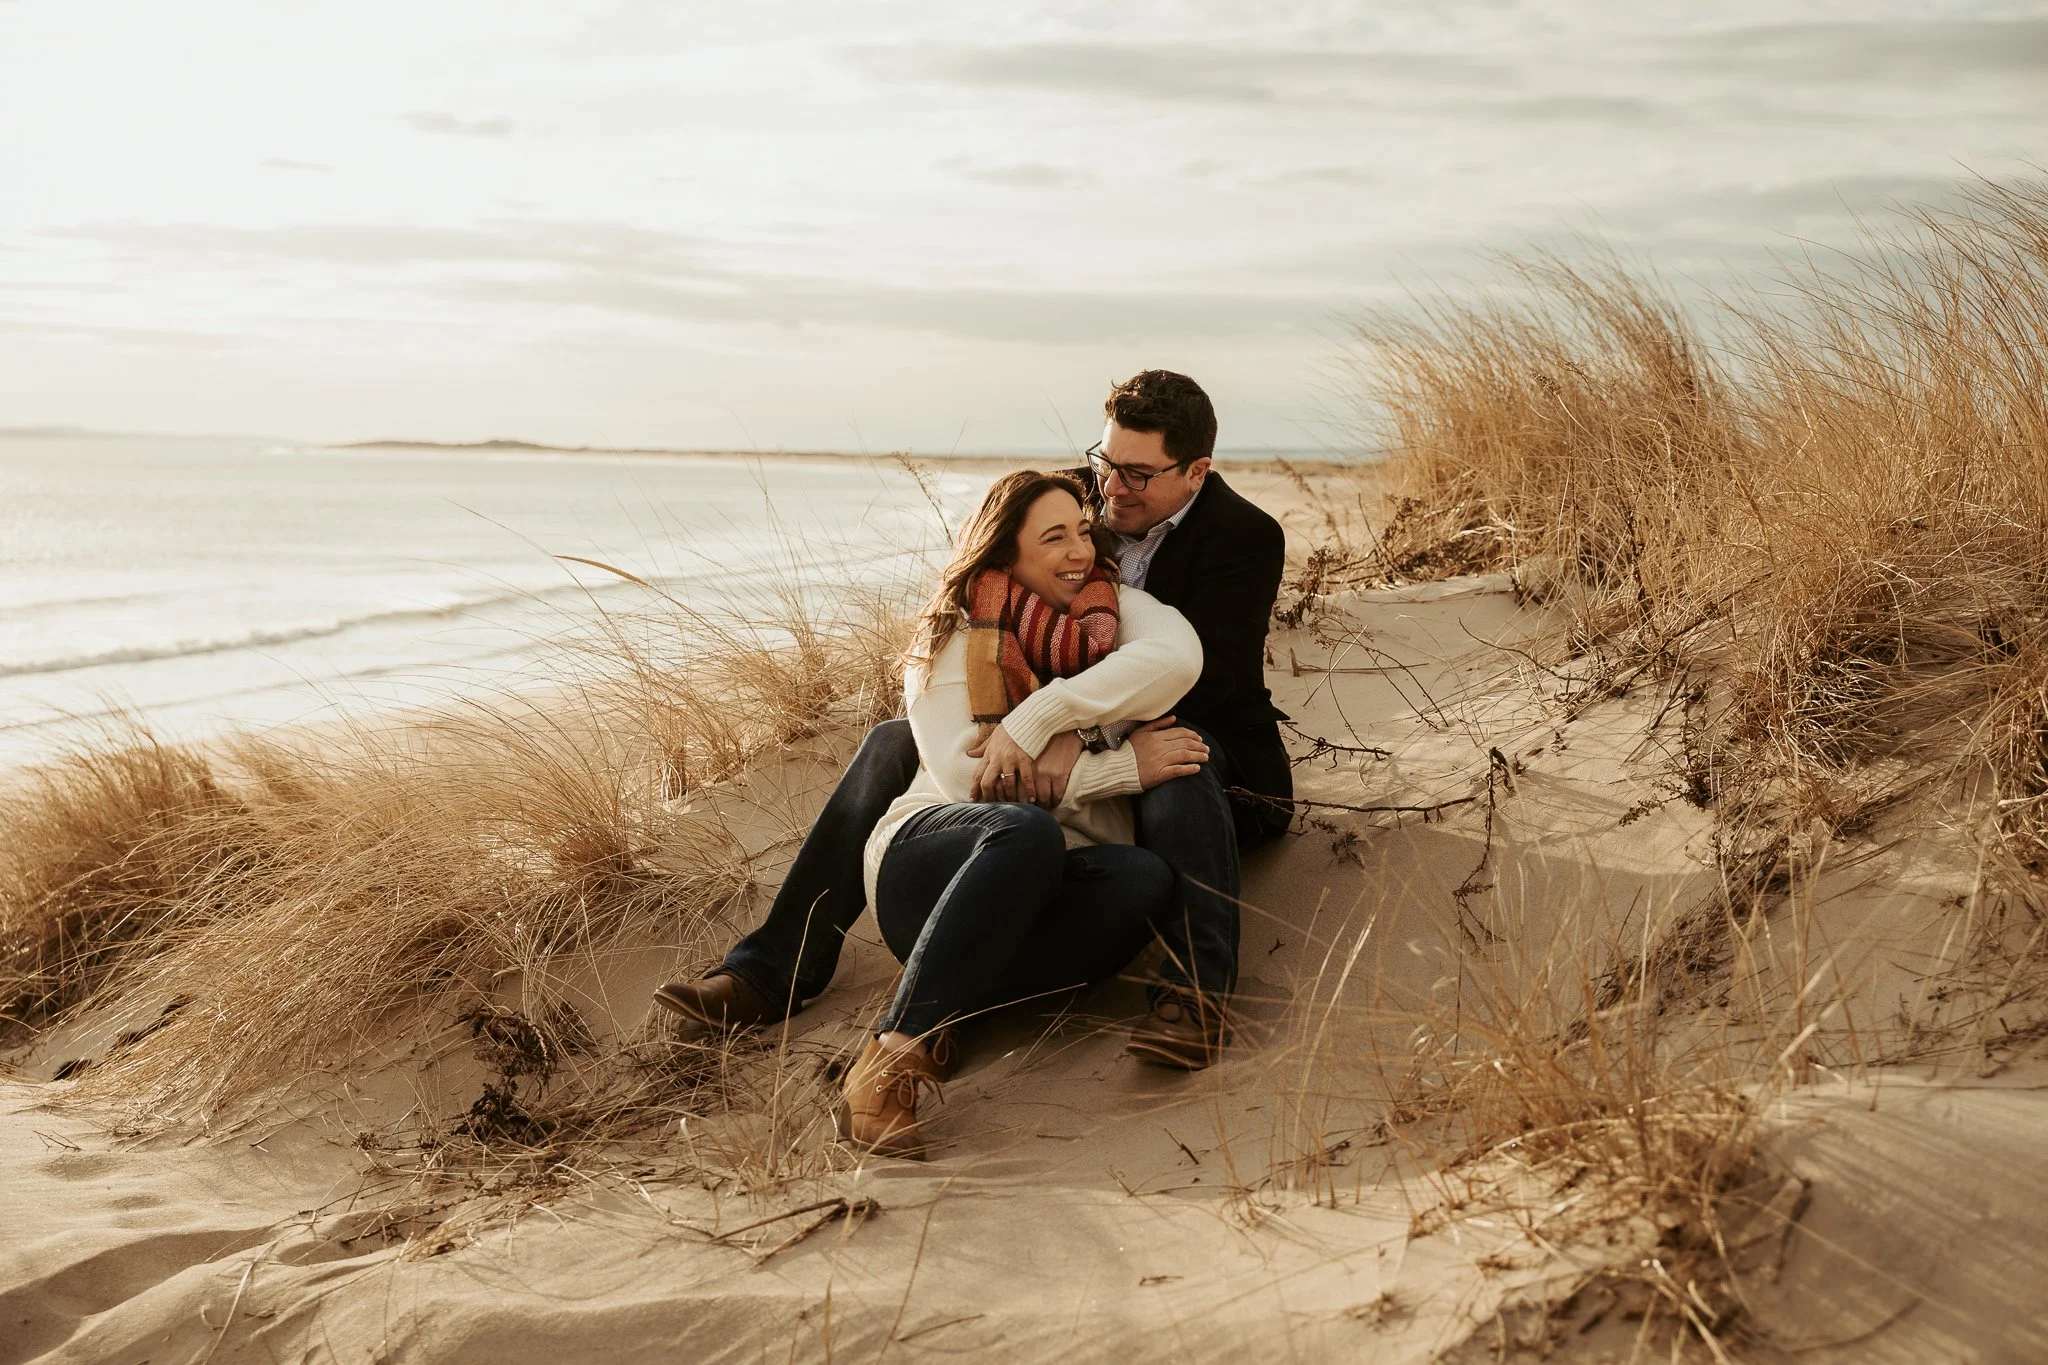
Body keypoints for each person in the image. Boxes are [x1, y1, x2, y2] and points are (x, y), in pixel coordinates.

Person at [654, 369, 1290, 1069]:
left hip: (1190, 733)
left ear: (1195, 470)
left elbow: (1208, 677)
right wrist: (1039, 735)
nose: (1109, 491)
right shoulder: (1075, 501)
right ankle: (771, 969)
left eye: (1138, 474)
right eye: (1105, 462)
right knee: (895, 742)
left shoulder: (1244, 536)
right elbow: (985, 594)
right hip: (1056, 741)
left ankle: (1194, 995)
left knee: (1179, 754)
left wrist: (1068, 736)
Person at [829, 469, 1206, 1156]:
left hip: (1043, 895)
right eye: (1053, 537)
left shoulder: (1108, 615)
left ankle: (961, 1000)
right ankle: (889, 1058)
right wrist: (1123, 765)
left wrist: (1044, 718)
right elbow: (972, 779)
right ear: (1007, 553)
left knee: (1145, 880)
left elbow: (1181, 654)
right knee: (1024, 830)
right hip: (929, 866)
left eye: (1083, 532)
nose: (1078, 552)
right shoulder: (950, 635)